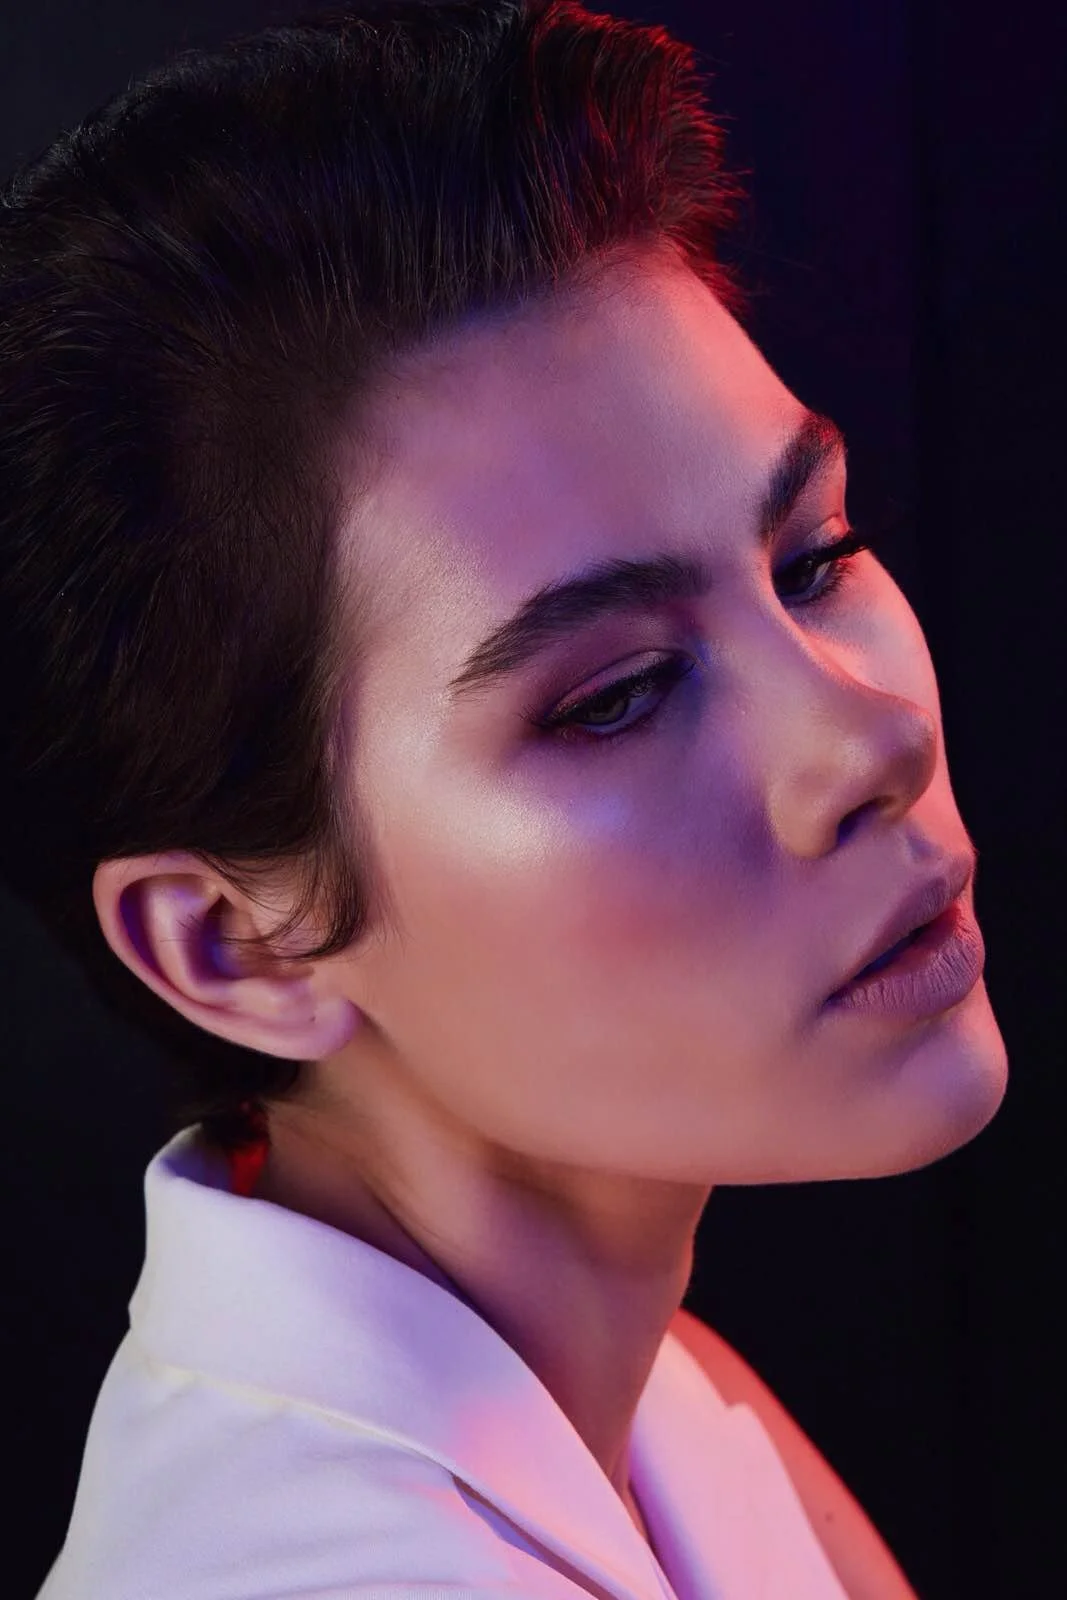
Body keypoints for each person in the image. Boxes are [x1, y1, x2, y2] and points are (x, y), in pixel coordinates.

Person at [1, 3, 1008, 1597]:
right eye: (611, 697)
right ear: (234, 946)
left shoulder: (675, 1411)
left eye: (810, 560)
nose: (865, 743)